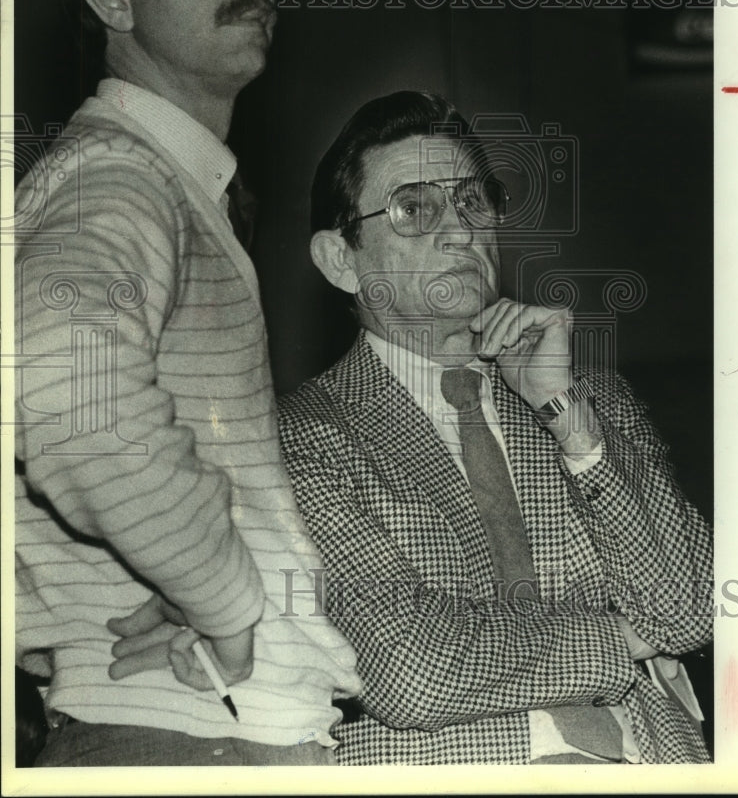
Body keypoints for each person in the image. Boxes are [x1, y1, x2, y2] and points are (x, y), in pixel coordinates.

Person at [14, 0, 359, 767]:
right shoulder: (114, 183)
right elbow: (67, 401)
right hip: (183, 736)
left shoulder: (163, 185)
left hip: (212, 730)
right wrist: (226, 600)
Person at [276, 90, 714, 764]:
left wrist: (567, 418)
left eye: (472, 202)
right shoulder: (302, 436)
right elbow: (410, 673)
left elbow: (687, 610)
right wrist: (619, 640)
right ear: (342, 259)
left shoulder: (589, 395)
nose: (458, 231)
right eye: (413, 209)